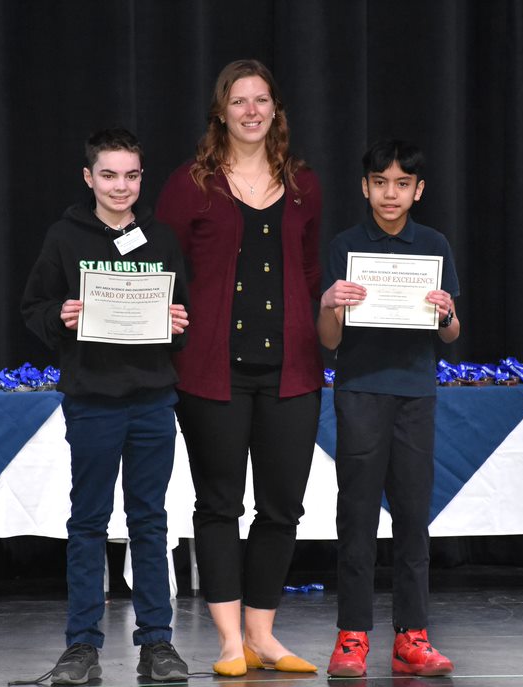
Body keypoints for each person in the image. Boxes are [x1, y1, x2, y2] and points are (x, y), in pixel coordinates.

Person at [156, 59, 323, 677]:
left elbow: (307, 275)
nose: (251, 111)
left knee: (283, 508)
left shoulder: (303, 183)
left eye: (261, 100)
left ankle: (264, 636)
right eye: (238, 101)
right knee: (219, 505)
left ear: (275, 110)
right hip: (211, 372)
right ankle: (229, 641)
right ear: (220, 113)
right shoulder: (189, 184)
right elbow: (164, 270)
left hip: (292, 372)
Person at [20, 128, 191, 685]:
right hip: (92, 400)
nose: (122, 186)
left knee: (149, 521)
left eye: (132, 175)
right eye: (110, 175)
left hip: (152, 401)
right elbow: (35, 307)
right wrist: (60, 317)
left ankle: (158, 643)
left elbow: (181, 315)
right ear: (89, 177)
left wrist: (176, 324)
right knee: (88, 522)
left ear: (143, 177)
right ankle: (81, 646)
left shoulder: (160, 238)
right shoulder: (64, 238)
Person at [317, 140, 460, 678]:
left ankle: (412, 635)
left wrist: (446, 314)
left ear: (418, 191)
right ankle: (352, 636)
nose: (391, 193)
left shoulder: (435, 244)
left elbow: (451, 334)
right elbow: (328, 338)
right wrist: (331, 303)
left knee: (412, 517)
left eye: (403, 184)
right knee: (355, 515)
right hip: (359, 391)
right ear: (365, 187)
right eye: (381, 182)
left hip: (416, 394)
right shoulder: (347, 245)